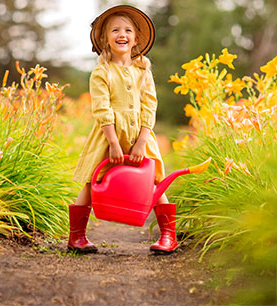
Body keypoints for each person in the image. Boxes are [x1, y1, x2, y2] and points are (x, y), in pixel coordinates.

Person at [68, 5, 178, 254]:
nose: (122, 34)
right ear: (106, 38)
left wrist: (142, 141)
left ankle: (168, 236)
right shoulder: (101, 71)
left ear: (136, 38)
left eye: (128, 30)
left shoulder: (143, 71)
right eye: (115, 30)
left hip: (140, 135)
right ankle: (77, 237)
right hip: (108, 137)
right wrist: (114, 143)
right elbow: (101, 108)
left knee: (155, 182)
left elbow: (150, 106)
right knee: (91, 181)